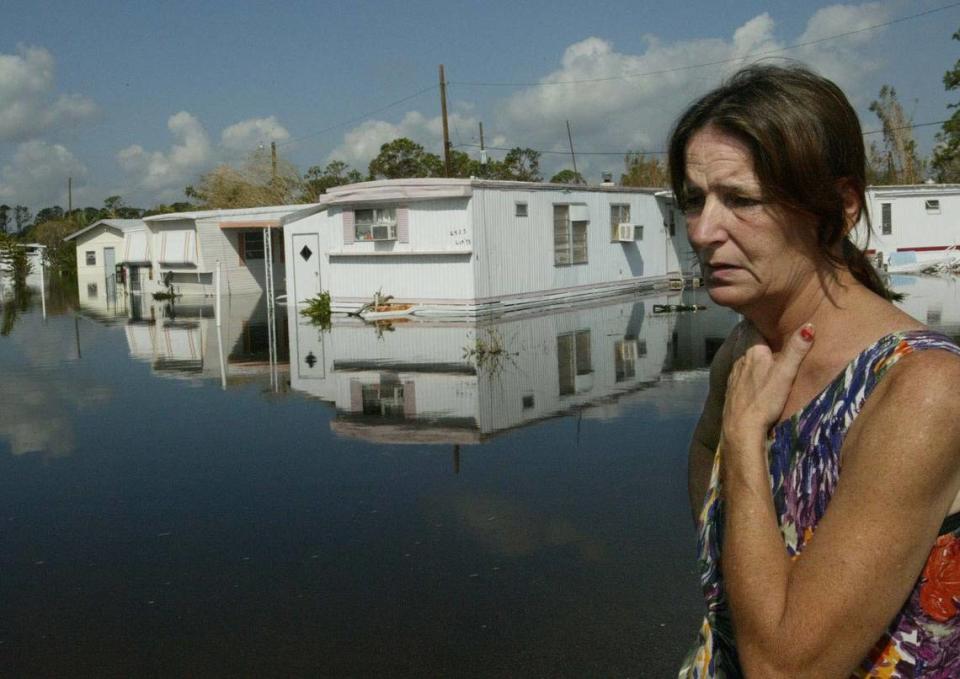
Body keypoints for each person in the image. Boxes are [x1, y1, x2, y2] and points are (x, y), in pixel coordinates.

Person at [672, 64, 960, 678]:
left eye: (740, 200)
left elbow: (786, 668)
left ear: (840, 205)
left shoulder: (922, 389)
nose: (701, 231)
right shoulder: (748, 348)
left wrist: (747, 439)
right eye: (695, 200)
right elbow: (704, 464)